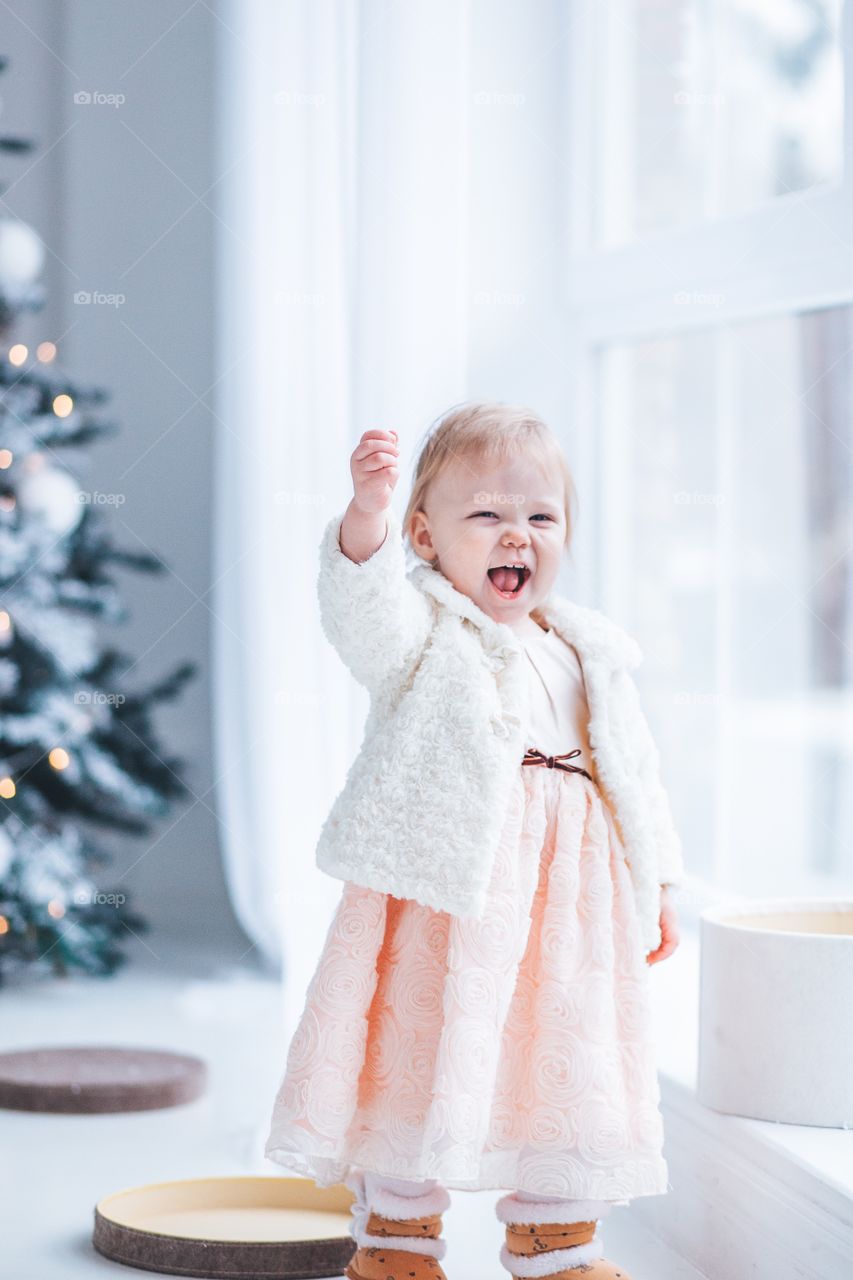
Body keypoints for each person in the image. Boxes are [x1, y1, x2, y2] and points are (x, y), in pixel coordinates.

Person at [265, 402, 684, 1280]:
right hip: (448, 892)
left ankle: (558, 1241)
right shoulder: (426, 633)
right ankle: (398, 1239)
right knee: (420, 1056)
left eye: (540, 516)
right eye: (486, 515)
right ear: (426, 537)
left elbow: (635, 776)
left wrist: (662, 883)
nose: (516, 537)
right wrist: (366, 519)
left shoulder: (586, 646)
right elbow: (361, 618)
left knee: (566, 1066)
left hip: (571, 903)